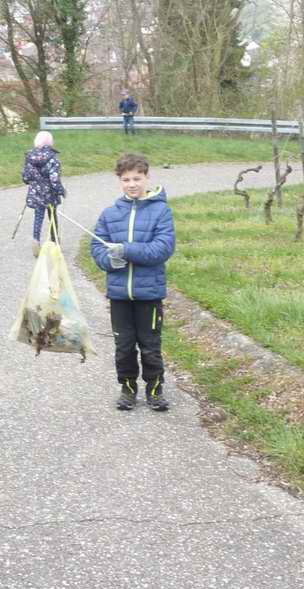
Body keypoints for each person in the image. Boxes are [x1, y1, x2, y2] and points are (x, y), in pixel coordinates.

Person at [91, 153, 176, 411]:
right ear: (119, 181)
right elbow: (97, 246)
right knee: (124, 347)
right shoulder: (109, 214)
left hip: (149, 295)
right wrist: (109, 260)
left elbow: (162, 249)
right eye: (126, 179)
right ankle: (128, 389)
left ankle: (154, 391)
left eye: (137, 178)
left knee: (150, 346)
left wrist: (126, 251)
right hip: (119, 296)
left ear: (147, 178)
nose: (132, 184)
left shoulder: (161, 211)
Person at [22, 131, 66, 257]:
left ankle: (36, 240)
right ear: (50, 143)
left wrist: (34, 182)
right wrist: (61, 190)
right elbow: (54, 179)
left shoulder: (29, 157)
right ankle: (55, 241)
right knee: (52, 216)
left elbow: (25, 177)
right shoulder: (53, 159)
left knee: (38, 216)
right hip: (50, 194)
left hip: (36, 194)